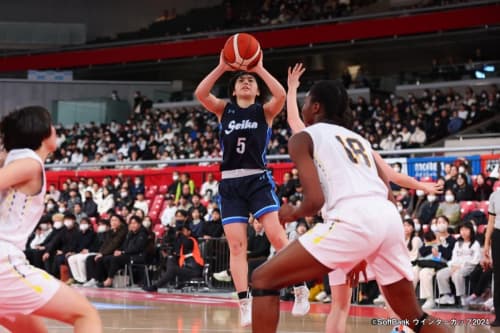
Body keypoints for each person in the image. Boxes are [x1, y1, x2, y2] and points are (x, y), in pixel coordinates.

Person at [249, 80, 451, 333]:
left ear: (316, 107)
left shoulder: (302, 138)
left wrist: (291, 212)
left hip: (352, 220)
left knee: (262, 278)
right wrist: (360, 252)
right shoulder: (360, 140)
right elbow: (387, 193)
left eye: (306, 102)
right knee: (414, 316)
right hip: (388, 219)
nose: (303, 107)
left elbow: (314, 202)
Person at [195, 51, 309, 327]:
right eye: (241, 80)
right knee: (236, 246)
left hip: (258, 180)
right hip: (231, 183)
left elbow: (280, 95)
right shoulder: (224, 109)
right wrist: (222, 66)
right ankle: (244, 302)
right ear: (233, 90)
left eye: (250, 81)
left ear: (258, 90)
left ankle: (300, 288)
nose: (246, 82)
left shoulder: (264, 111)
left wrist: (258, 69)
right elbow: (201, 92)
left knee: (277, 238)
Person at [0, 106, 102, 332]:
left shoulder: (14, 160)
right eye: (52, 126)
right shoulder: (29, 163)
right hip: (4, 262)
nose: (56, 130)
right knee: (86, 314)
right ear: (41, 132)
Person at [483, 190, 500, 326]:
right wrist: (486, 244)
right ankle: (499, 316)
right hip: (498, 236)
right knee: (498, 276)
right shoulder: (494, 195)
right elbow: (491, 222)